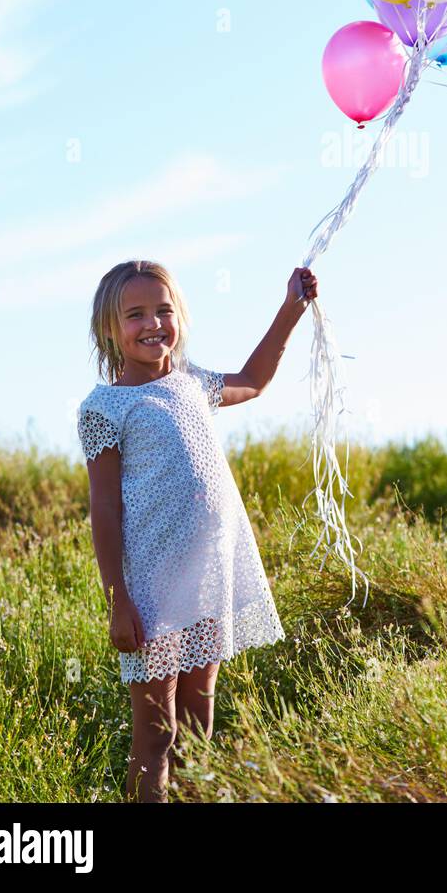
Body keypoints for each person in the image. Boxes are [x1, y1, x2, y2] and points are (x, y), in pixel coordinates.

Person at [76, 257, 317, 802]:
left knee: (197, 721)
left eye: (164, 310)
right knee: (156, 733)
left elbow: (253, 382)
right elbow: (105, 511)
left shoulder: (194, 385)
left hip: (208, 580)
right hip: (152, 592)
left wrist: (291, 308)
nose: (153, 323)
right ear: (109, 330)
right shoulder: (105, 408)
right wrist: (118, 599)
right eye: (135, 315)